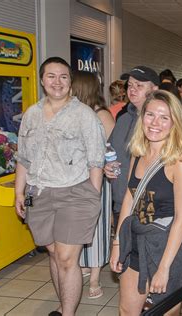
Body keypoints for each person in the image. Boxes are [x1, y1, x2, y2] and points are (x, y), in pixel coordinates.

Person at [15, 57, 106, 316]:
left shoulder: (84, 115)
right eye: (51, 76)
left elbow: (96, 161)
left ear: (70, 81)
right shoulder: (31, 114)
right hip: (37, 193)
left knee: (67, 259)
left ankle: (68, 313)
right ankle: (63, 304)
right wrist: (19, 192)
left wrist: (92, 197)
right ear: (42, 80)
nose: (58, 82)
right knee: (54, 255)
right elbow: (24, 158)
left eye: (63, 76)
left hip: (75, 193)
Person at [109, 90, 182, 316]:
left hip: (168, 247)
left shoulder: (180, 162)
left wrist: (164, 267)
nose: (155, 123)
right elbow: (130, 197)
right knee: (127, 311)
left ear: (174, 122)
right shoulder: (139, 153)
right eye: (150, 115)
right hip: (136, 242)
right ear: (142, 117)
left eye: (164, 117)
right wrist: (118, 244)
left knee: (165, 313)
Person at [71, 71, 115, 300]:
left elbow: (112, 152)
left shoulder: (102, 115)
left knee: (97, 228)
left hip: (98, 179)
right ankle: (84, 265)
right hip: (75, 180)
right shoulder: (74, 113)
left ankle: (95, 278)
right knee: (79, 227)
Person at [106, 66, 159, 229]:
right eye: (130, 85)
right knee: (122, 249)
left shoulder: (159, 122)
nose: (132, 89)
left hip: (149, 203)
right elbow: (111, 150)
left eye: (139, 85)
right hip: (121, 200)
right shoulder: (123, 119)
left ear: (154, 89)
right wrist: (106, 165)